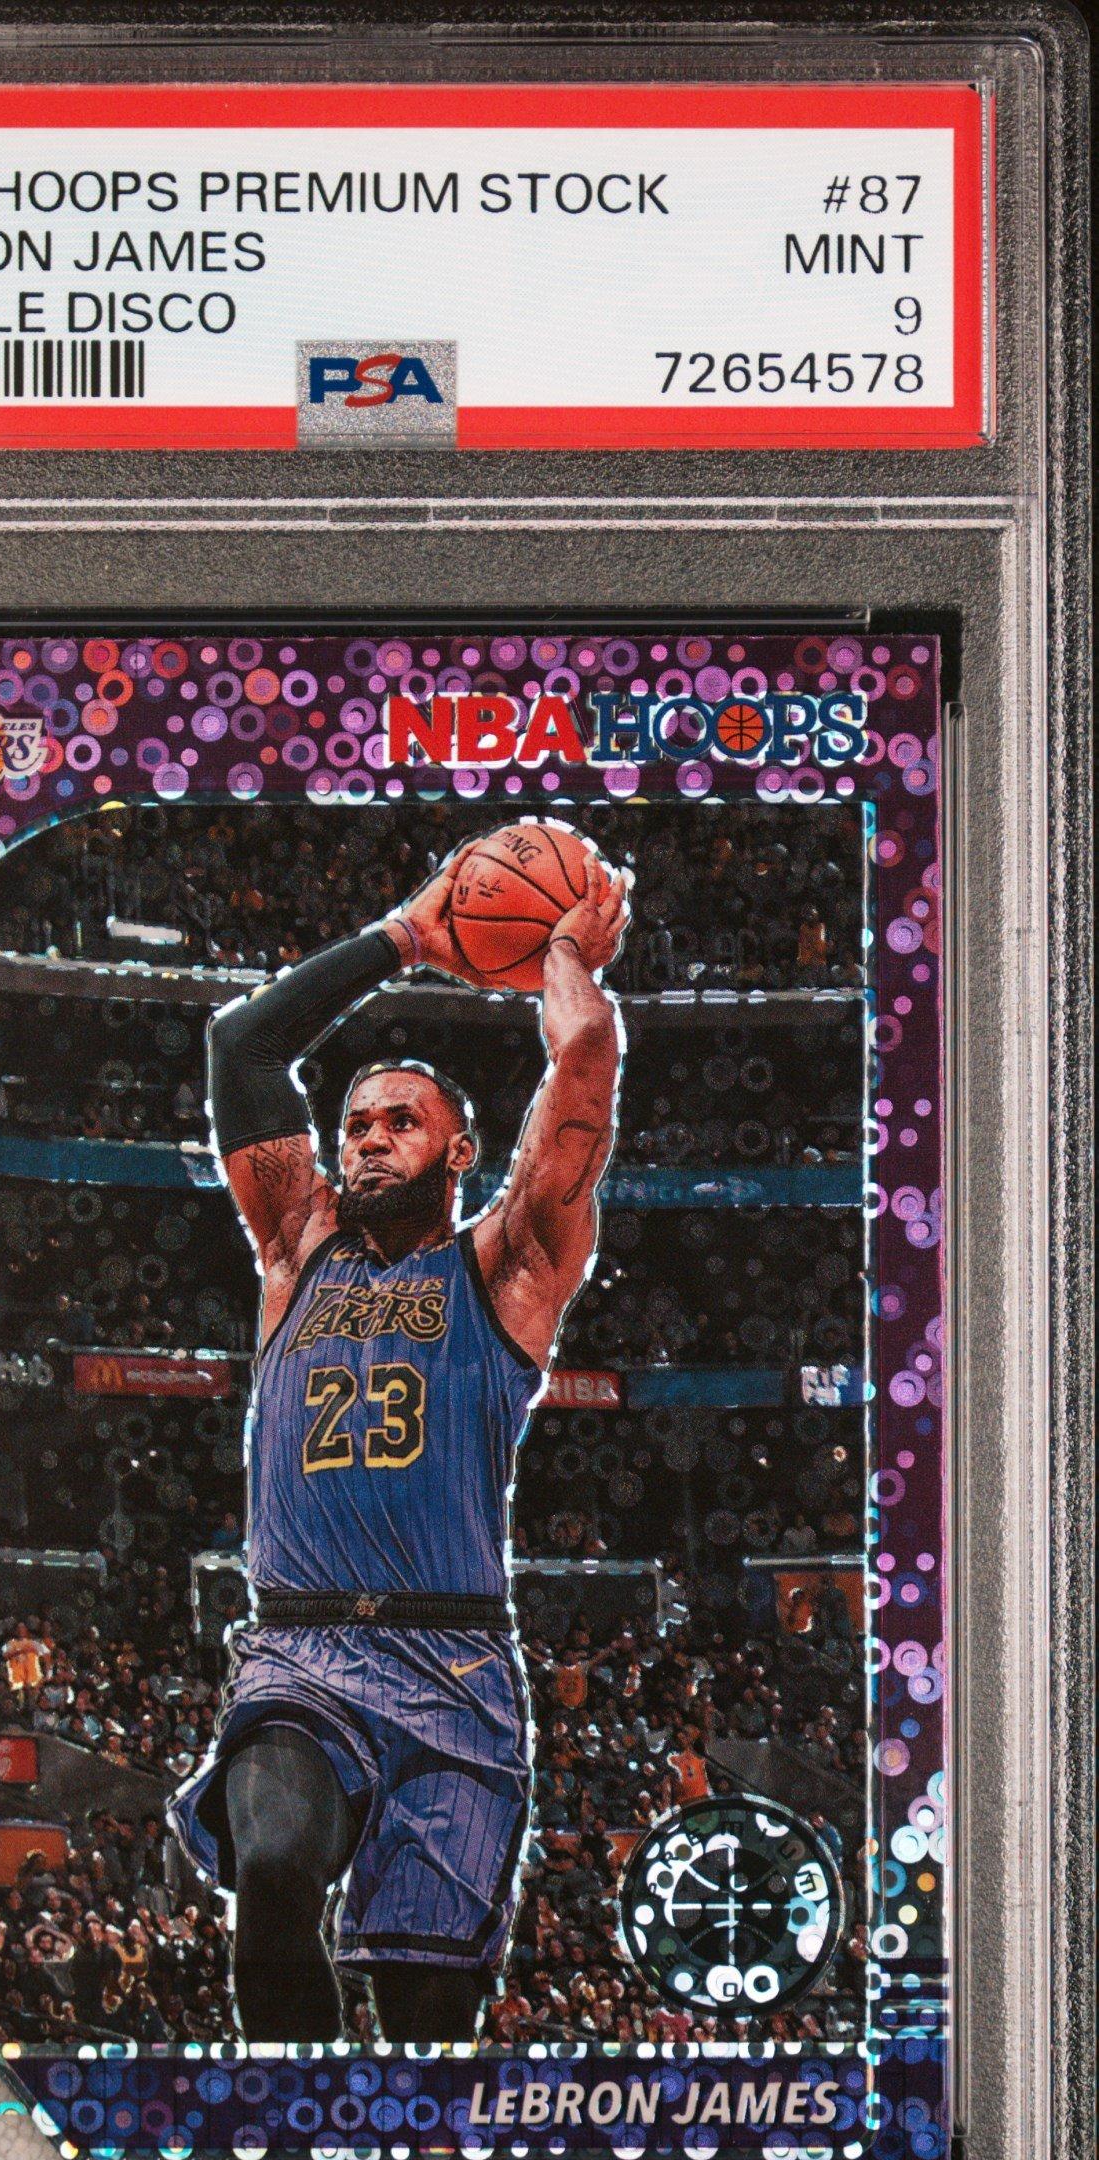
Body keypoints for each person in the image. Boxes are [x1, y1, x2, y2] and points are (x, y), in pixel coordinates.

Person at [170, 842, 630, 2042]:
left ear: (459, 1151)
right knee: (275, 1865)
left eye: (401, 1122)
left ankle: (393, 2150)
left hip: (455, 1665)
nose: (369, 1138)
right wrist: (407, 937)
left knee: (428, 2024)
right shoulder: (295, 1247)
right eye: (357, 1123)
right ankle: (291, 2133)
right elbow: (242, 1046)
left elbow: (584, 1055)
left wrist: (562, 953)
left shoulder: (509, 1265)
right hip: (300, 1652)